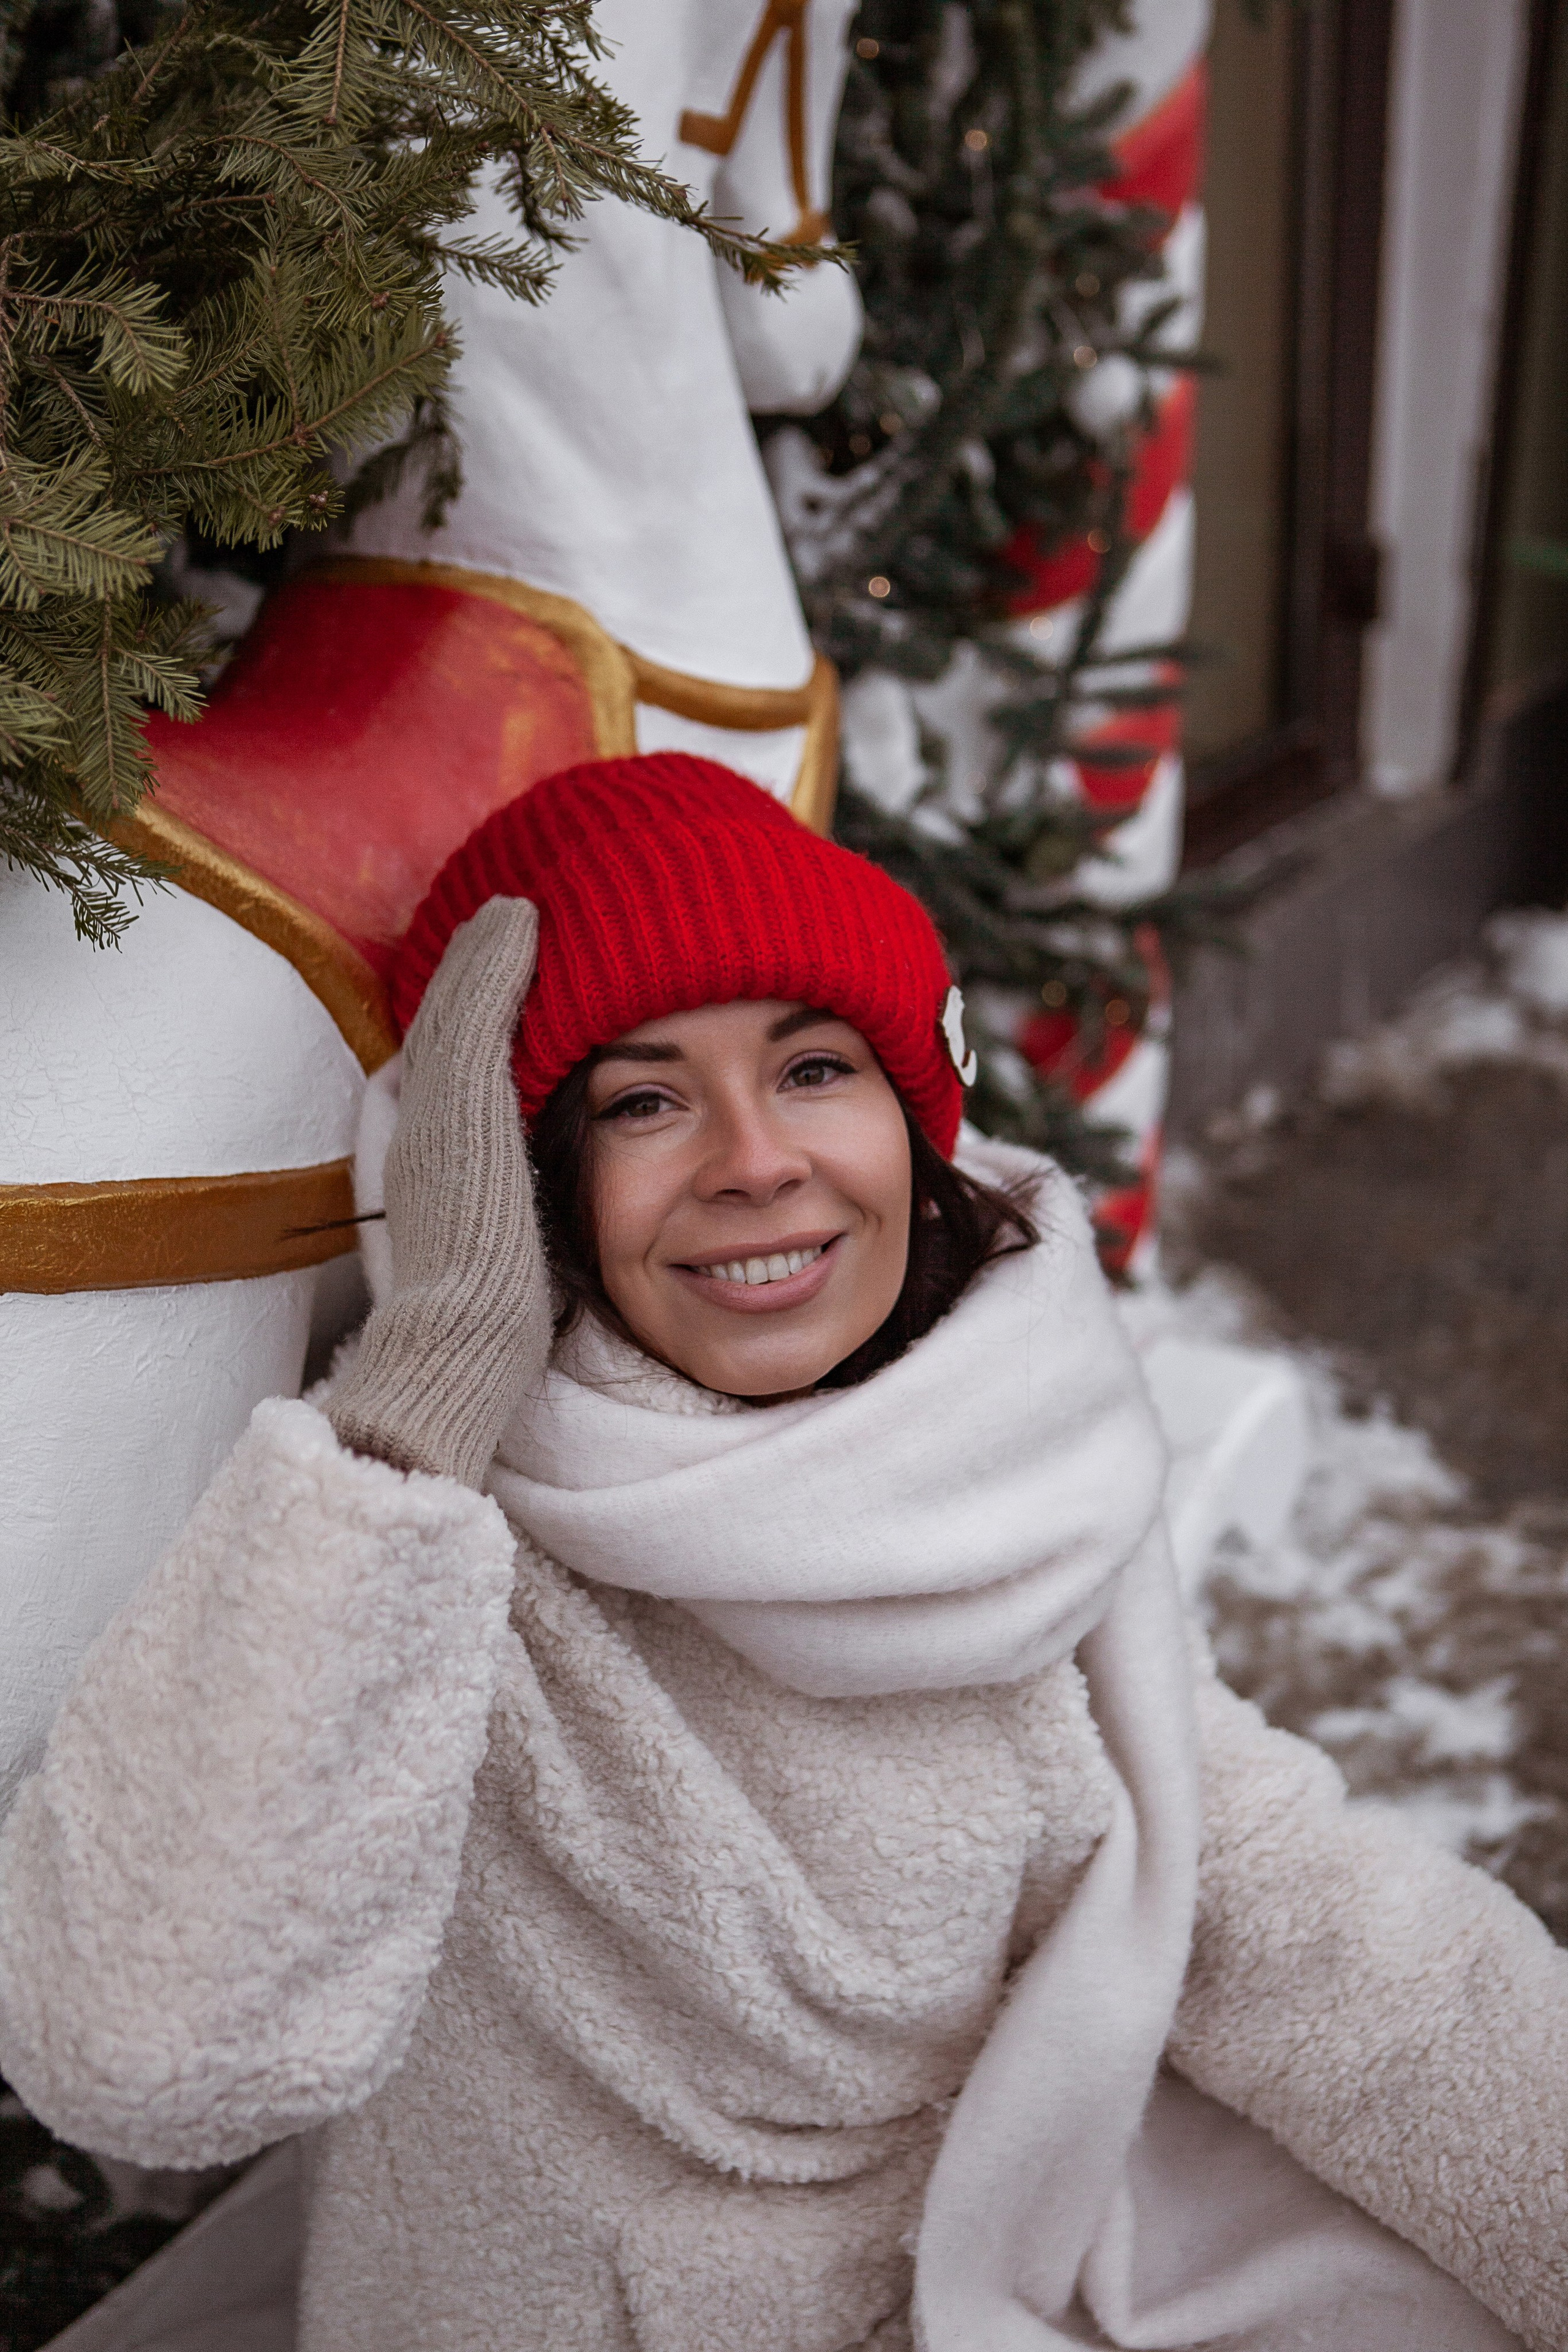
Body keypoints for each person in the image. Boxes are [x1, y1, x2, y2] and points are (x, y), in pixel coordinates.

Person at [0, 755, 1563, 2352]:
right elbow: (139, 2048)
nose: (755, 1158)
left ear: (913, 1115)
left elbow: (1289, 1907)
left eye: (815, 1068)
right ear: (521, 1187)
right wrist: (429, 1392)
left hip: (998, 2255)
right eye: (645, 1101)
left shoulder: (1014, 1444)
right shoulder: (421, 1552)